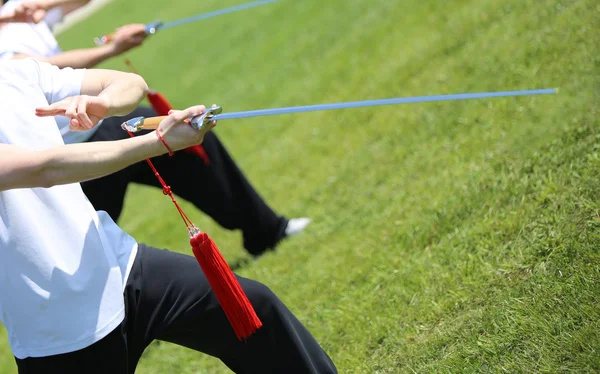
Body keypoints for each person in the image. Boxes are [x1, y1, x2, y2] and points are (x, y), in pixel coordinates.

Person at [0, 58, 337, 373]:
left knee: (257, 313)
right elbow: (46, 168)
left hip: (121, 265)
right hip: (55, 323)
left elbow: (129, 81)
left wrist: (103, 104)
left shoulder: (17, 72)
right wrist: (158, 141)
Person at [0, 0, 310, 257]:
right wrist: (112, 49)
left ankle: (267, 231)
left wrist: (44, 3)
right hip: (68, 161)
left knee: (191, 141)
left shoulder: (21, 12)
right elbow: (34, 65)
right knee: (76, 256)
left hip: (103, 124)